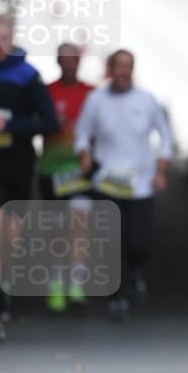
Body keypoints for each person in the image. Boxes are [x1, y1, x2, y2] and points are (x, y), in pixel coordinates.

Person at [0, 14, 58, 341]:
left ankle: (0, 287)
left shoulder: (27, 75)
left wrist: (8, 126)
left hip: (16, 164)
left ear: (12, 38)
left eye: (3, 38)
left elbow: (49, 122)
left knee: (10, 237)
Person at [74, 49, 173, 320]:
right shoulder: (96, 100)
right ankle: (116, 298)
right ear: (110, 69)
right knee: (110, 242)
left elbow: (165, 137)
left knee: (137, 242)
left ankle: (134, 271)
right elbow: (81, 133)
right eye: (118, 66)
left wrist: (161, 170)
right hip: (106, 182)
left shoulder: (147, 99)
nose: (123, 72)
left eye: (128, 66)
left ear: (133, 69)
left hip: (139, 183)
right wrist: (83, 155)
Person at [37, 42, 94, 312]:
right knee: (57, 231)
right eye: (65, 60)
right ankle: (56, 281)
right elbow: (34, 124)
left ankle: (77, 282)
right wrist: (50, 123)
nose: (69, 64)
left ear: (79, 62)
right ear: (58, 61)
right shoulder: (46, 92)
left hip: (79, 171)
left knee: (79, 223)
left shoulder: (91, 93)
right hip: (51, 170)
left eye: (74, 60)